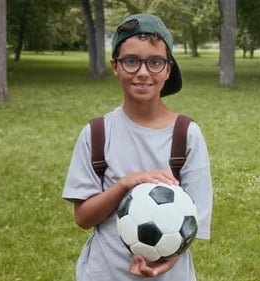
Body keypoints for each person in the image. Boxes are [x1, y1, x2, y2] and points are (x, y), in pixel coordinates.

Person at [62, 13, 212, 280]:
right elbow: (83, 218)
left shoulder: (186, 135)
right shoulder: (97, 133)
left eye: (154, 62)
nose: (143, 72)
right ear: (115, 66)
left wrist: (167, 262)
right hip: (104, 273)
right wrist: (125, 184)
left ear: (168, 69)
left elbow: (194, 222)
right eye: (131, 61)